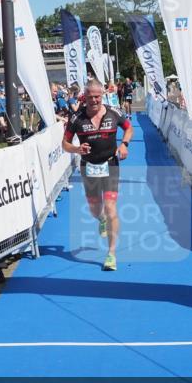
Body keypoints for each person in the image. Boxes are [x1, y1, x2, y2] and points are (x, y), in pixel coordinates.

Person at [62, 79, 133, 272]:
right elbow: (64, 144)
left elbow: (129, 127)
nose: (94, 100)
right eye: (90, 97)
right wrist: (77, 149)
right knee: (95, 209)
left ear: (102, 95)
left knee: (110, 207)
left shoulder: (114, 112)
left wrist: (124, 144)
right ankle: (101, 219)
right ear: (84, 97)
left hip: (110, 163)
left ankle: (111, 254)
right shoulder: (76, 118)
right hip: (89, 166)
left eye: (97, 97)